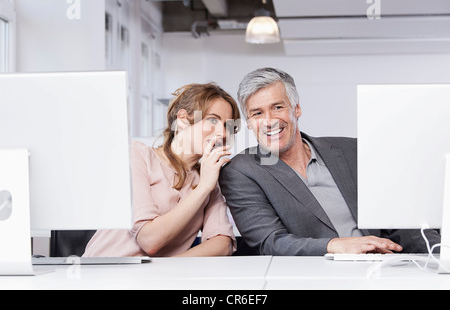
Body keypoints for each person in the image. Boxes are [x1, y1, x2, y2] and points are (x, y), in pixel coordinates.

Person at [219, 67, 441, 256]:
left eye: (278, 107)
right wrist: (336, 246)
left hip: (384, 268)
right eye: (257, 113)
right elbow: (270, 241)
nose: (269, 121)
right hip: (315, 277)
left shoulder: (351, 150)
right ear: (249, 122)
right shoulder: (242, 170)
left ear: (296, 108)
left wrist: (440, 251)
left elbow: (399, 221)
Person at [84, 83, 240, 257]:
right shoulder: (137, 154)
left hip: (155, 281)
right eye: (212, 120)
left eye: (228, 126)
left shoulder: (209, 180)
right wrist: (203, 188)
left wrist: (167, 269)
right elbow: (149, 240)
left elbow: (222, 243)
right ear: (182, 119)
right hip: (103, 275)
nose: (223, 133)